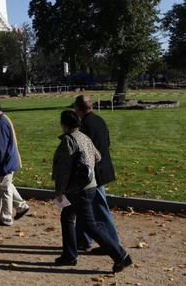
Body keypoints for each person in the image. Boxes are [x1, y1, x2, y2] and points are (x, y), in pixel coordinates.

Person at [52, 110, 132, 272]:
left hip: (76, 189)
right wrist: (86, 165)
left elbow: (65, 170)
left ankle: (120, 255)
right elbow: (98, 156)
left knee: (89, 225)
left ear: (64, 124)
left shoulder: (69, 140)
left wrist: (59, 191)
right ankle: (69, 255)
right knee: (67, 217)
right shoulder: (84, 137)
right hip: (89, 185)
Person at [73, 95, 119, 253]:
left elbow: (83, 151)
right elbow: (107, 142)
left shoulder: (83, 125)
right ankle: (84, 240)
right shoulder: (99, 120)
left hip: (94, 172)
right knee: (87, 207)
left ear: (78, 108)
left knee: (99, 208)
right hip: (102, 167)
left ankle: (111, 243)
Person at [0, 97, 29, 226]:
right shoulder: (3, 119)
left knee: (3, 190)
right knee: (7, 186)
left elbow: (0, 147)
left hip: (5, 162)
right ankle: (21, 206)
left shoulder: (0, 124)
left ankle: (6, 217)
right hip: (9, 160)